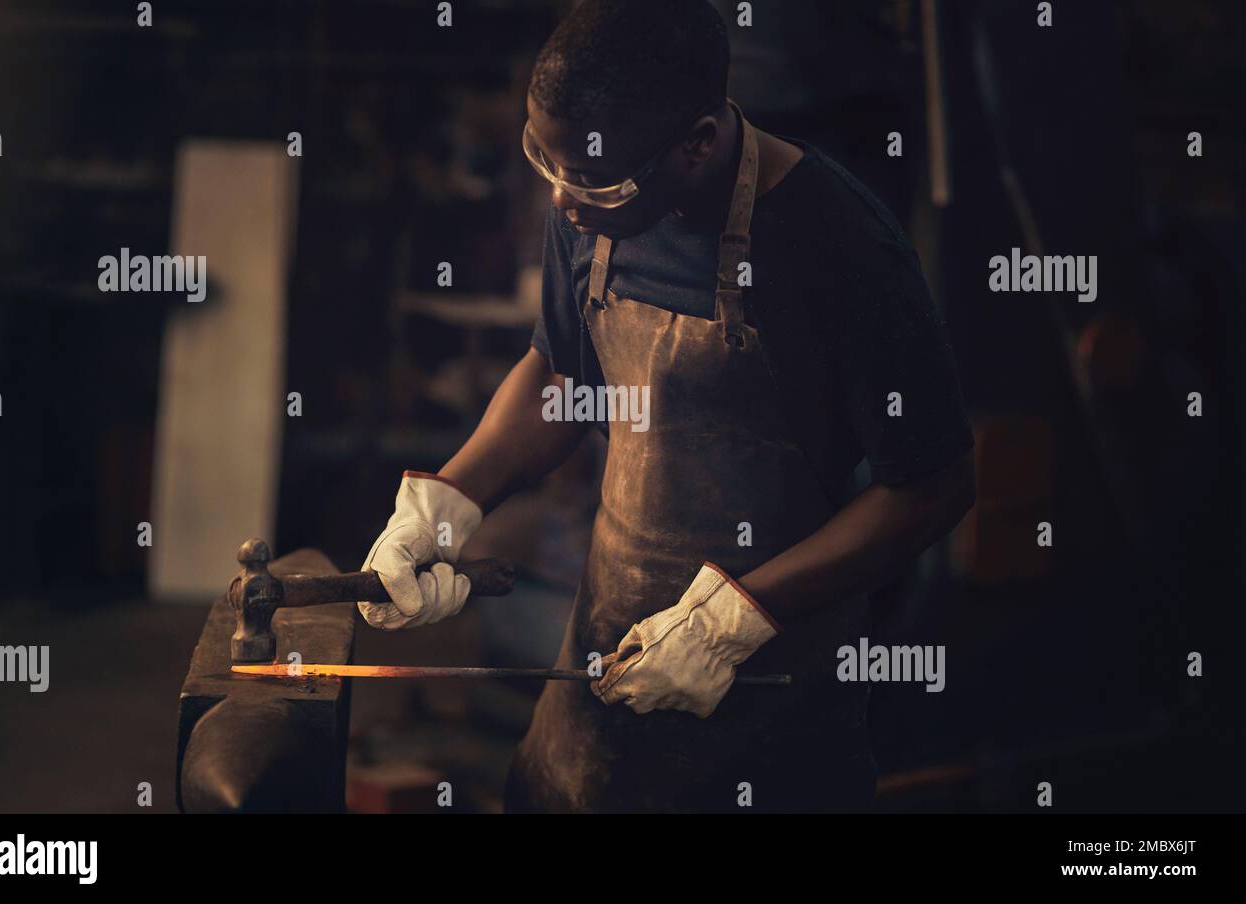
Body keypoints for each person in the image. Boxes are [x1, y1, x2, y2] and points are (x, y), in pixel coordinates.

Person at [359, 0, 975, 813]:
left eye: (593, 180)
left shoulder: (842, 246)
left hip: (770, 710)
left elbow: (931, 486)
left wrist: (737, 619)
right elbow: (560, 375)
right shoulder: (583, 198)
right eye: (544, 164)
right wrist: (443, 507)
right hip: (599, 672)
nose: (562, 202)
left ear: (698, 143)